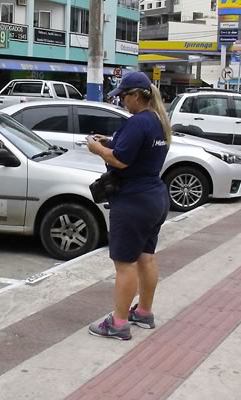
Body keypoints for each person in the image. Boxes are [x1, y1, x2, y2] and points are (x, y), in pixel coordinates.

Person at [85, 71, 171, 340]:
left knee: (125, 265)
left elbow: (121, 160)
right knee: (146, 257)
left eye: (123, 96)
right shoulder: (158, 121)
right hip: (155, 197)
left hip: (133, 200)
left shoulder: (137, 123)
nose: (121, 101)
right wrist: (110, 142)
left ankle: (119, 323)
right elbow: (139, 151)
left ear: (136, 95)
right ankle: (144, 312)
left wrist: (96, 148)